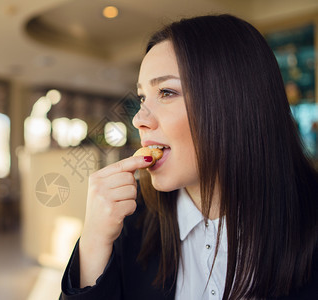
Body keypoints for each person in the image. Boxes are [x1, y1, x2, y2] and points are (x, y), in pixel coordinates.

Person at [60, 14, 318, 300]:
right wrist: (94, 242)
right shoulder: (129, 225)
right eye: (143, 98)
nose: (139, 120)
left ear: (234, 102)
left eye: (167, 92)